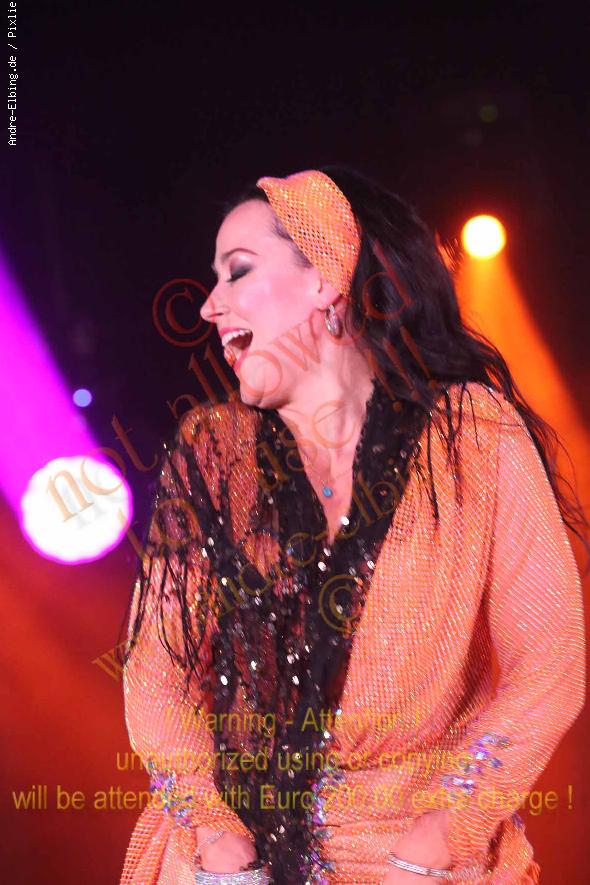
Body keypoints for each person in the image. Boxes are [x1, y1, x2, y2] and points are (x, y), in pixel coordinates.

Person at [117, 167, 587, 884]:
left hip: (417, 861)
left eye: (237, 271)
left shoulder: (472, 433)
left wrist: (443, 831)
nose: (210, 305)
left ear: (327, 278)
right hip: (226, 861)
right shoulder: (213, 450)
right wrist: (212, 834)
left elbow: (549, 662)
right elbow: (155, 671)